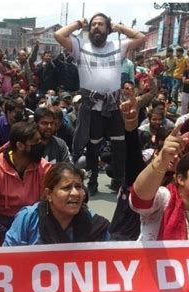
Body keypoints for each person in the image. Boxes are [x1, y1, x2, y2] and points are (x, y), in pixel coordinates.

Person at [54, 13, 145, 195]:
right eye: (94, 24)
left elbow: (140, 38)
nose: (96, 27)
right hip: (92, 107)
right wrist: (79, 23)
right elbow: (59, 35)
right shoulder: (81, 46)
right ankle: (93, 181)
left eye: (101, 24)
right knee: (93, 145)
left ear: (108, 29)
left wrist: (119, 27)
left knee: (119, 144)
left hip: (113, 106)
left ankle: (119, 181)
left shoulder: (118, 46)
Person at [0, 121, 52, 246]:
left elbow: (51, 197)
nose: (41, 144)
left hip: (31, 220)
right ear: (20, 146)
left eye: (40, 140)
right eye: (35, 142)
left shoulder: (43, 167)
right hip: (2, 221)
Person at [3, 163, 110, 246]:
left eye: (78, 187)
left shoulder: (94, 224)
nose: (75, 193)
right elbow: (8, 257)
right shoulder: (28, 219)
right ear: (49, 194)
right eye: (66, 187)